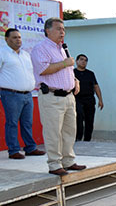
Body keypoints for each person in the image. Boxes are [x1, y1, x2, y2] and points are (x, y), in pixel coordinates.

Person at [31, 18, 85, 176]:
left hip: (68, 96)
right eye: (58, 29)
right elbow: (43, 69)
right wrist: (65, 63)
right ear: (47, 30)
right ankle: (54, 164)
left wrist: (75, 80)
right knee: (53, 132)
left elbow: (66, 69)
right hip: (52, 96)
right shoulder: (40, 48)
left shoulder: (62, 48)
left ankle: (68, 160)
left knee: (69, 131)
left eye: (64, 29)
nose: (62, 32)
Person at [0, 28, 45, 159]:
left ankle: (30, 148)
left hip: (28, 94)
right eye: (14, 37)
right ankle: (13, 150)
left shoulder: (26, 55)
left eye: (19, 37)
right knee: (12, 123)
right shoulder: (2, 53)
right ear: (6, 39)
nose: (18, 40)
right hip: (10, 94)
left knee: (27, 123)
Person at [73, 54, 104, 141]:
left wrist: (100, 100)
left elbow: (96, 86)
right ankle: (78, 138)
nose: (83, 62)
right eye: (81, 59)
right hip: (77, 99)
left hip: (89, 100)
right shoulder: (72, 73)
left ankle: (87, 139)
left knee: (89, 121)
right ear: (77, 61)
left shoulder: (90, 74)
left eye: (85, 60)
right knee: (78, 118)